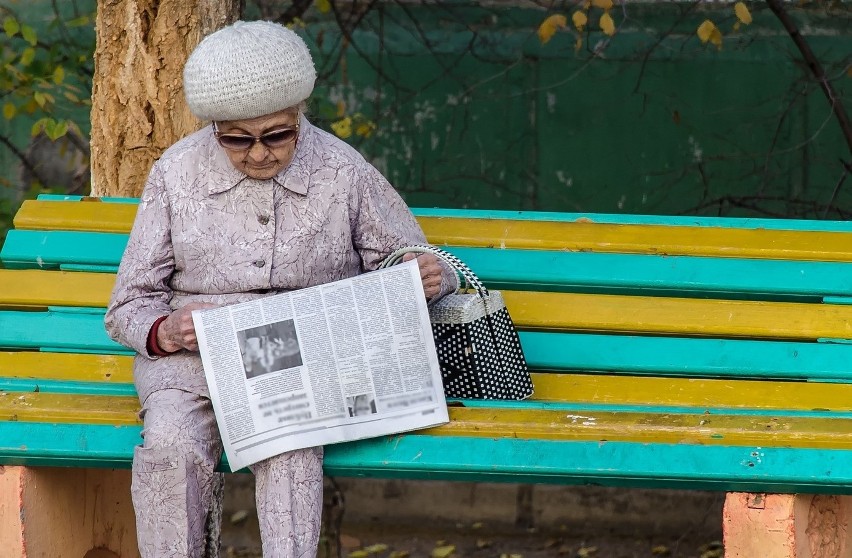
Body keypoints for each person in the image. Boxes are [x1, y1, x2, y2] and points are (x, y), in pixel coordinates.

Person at [104, 20, 456, 558]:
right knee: (171, 448)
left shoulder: (341, 169)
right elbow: (128, 303)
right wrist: (166, 331)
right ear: (214, 128)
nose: (259, 154)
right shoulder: (176, 173)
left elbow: (409, 257)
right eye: (236, 139)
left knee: (290, 448)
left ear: (299, 117)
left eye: (277, 135)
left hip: (304, 361)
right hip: (193, 362)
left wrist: (426, 273)